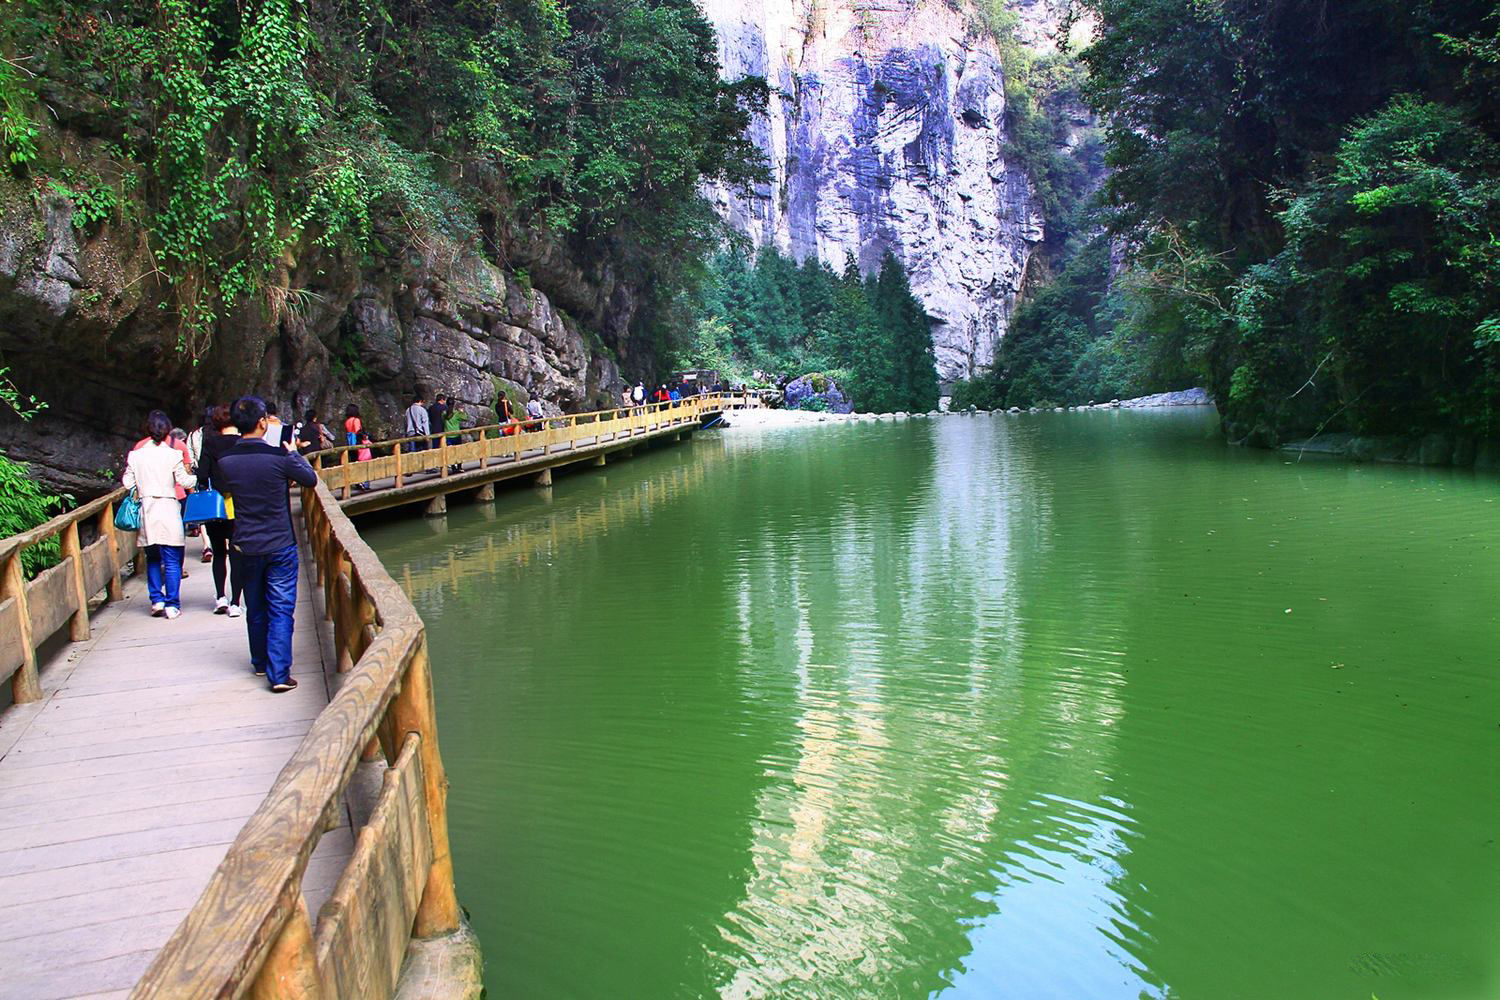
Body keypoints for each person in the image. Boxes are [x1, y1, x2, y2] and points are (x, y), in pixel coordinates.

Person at [215, 395, 318, 693]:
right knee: (281, 608)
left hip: (246, 543)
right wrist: (293, 455)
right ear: (263, 423)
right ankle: (279, 674)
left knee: (256, 606)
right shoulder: (278, 458)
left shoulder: (226, 462)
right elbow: (309, 479)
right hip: (280, 543)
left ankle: (260, 662)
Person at [123, 411, 197, 619]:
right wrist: (196, 478)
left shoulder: (135, 456)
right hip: (168, 507)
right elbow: (184, 481)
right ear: (167, 432)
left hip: (147, 509)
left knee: (153, 557)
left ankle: (157, 600)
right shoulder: (172, 455)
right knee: (172, 559)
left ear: (148, 430)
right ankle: (172, 604)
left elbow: (127, 483)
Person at [196, 403, 244, 617]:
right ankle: (235, 602)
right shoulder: (243, 443)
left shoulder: (210, 443)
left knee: (218, 554)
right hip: (238, 505)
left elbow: (202, 475)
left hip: (216, 507)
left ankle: (220, 598)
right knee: (237, 554)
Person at [444, 404, 465, 474]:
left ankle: (453, 467)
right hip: (456, 435)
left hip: (447, 435)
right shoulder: (457, 413)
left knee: (450, 452)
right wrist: (462, 412)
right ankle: (459, 467)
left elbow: (442, 419)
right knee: (459, 451)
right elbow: (465, 418)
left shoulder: (444, 413)